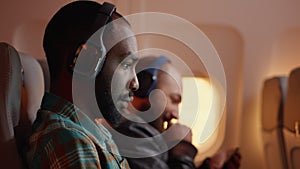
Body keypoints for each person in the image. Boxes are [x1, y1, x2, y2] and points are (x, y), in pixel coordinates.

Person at [25, 1, 139, 169]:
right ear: (85, 62)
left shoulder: (95, 133)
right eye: (125, 65)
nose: (135, 83)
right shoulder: (69, 140)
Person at [111, 55, 241, 169]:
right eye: (173, 100)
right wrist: (182, 151)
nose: (176, 114)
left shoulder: (147, 136)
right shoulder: (134, 134)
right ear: (144, 89)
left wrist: (210, 166)